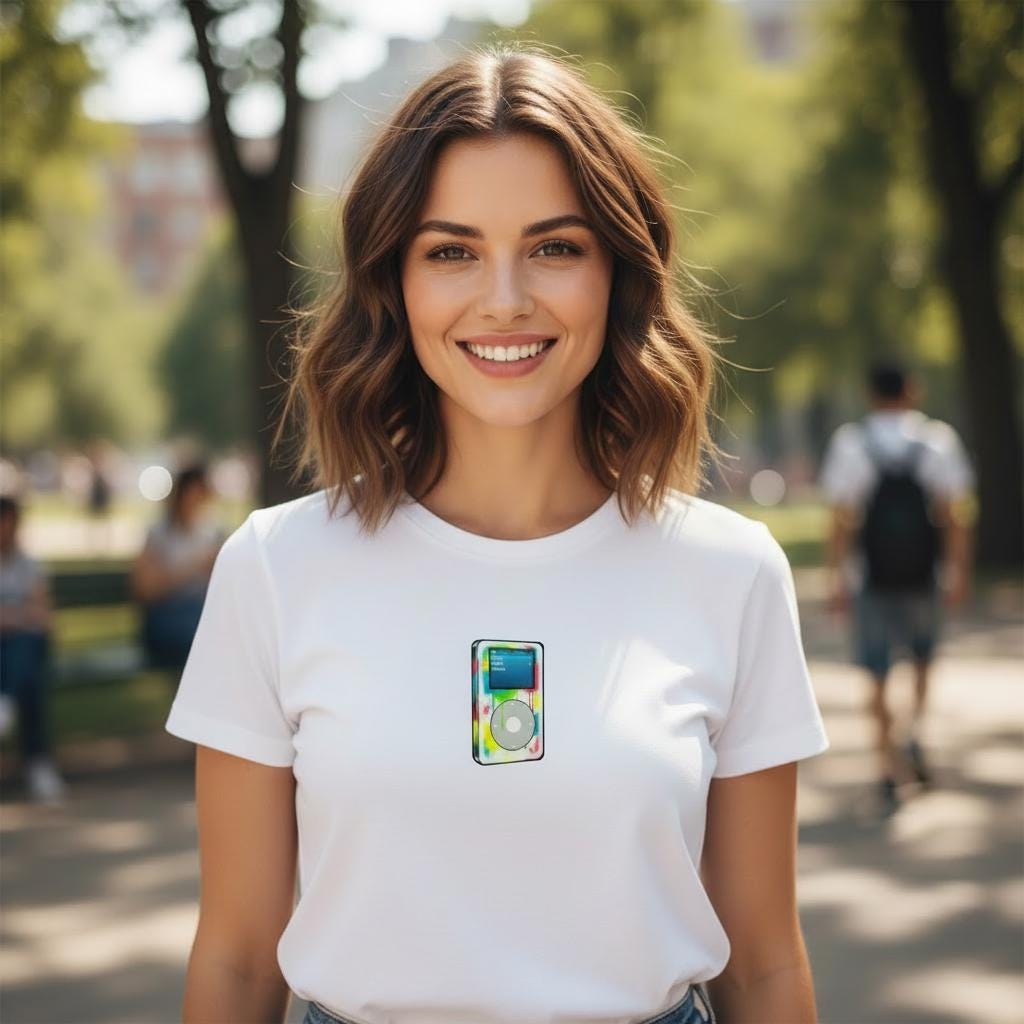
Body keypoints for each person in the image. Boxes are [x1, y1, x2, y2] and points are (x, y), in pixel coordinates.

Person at [164, 45, 830, 1024]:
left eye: (555, 246)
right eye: (452, 249)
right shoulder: (276, 568)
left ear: (617, 269)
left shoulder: (729, 574)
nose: (506, 298)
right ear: (393, 279)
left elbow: (765, 965)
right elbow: (234, 962)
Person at [818, 359, 975, 818]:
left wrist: (836, 576)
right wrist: (958, 568)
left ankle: (887, 764)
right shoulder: (937, 441)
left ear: (871, 394)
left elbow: (842, 518)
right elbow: (953, 512)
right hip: (924, 573)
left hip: (872, 576)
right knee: (923, 657)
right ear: (912, 390)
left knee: (876, 670)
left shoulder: (852, 444)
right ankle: (915, 733)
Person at [0, 494, 68, 804]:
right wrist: (20, 614)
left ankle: (6, 701)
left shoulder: (27, 563)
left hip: (23, 645)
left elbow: (44, 615)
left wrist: (11, 616)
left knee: (27, 650)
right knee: (29, 671)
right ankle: (38, 762)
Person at [130, 463, 226, 678]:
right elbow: (145, 589)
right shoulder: (159, 534)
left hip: (200, 616)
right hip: (168, 620)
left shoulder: (215, 532)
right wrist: (195, 567)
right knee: (205, 637)